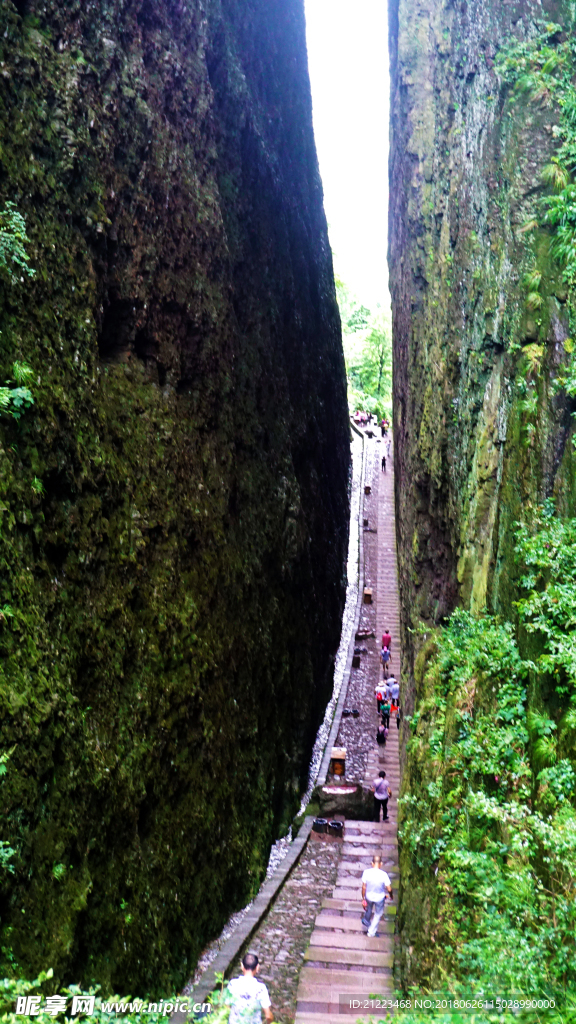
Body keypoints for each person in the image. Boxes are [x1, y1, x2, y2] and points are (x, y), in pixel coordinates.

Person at [226, 952, 273, 1024]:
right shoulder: (261, 988)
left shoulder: (232, 984)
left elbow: (227, 1007)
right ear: (257, 968)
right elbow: (268, 1016)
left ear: (242, 966)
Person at [361, 853, 392, 937]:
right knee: (378, 914)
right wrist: (391, 896)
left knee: (369, 909)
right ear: (381, 864)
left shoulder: (366, 872)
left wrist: (363, 898)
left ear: (372, 863)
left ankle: (367, 920)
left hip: (369, 896)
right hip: (379, 898)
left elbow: (364, 887)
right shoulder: (384, 874)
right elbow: (389, 888)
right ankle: (371, 932)